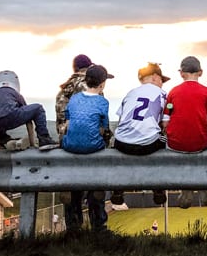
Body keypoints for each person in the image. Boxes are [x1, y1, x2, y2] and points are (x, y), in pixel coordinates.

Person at [59, 64, 115, 232]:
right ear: (102, 84)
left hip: (70, 146)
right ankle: (97, 190)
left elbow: (67, 123)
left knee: (74, 185)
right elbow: (104, 128)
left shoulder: (74, 98)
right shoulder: (102, 102)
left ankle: (74, 226)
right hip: (93, 148)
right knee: (100, 151)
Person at [55, 52, 105, 214]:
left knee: (73, 185)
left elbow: (62, 117)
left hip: (67, 141)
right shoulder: (91, 84)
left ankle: (74, 230)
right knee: (94, 183)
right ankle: (98, 228)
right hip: (89, 140)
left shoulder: (65, 88)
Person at [164, 55, 207, 207]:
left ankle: (186, 187)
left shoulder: (173, 92)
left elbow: (166, 120)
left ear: (181, 73)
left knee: (180, 151)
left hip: (175, 143)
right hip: (198, 142)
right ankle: (205, 185)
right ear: (200, 72)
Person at [114, 63, 170, 207]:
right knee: (163, 140)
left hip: (121, 143)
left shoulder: (131, 93)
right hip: (147, 145)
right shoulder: (163, 94)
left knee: (125, 144)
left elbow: (121, 120)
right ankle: (158, 188)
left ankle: (118, 189)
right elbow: (165, 124)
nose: (162, 83)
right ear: (155, 77)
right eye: (161, 80)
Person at [0, 70, 56, 150]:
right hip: (10, 115)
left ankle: (6, 141)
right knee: (38, 108)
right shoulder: (15, 93)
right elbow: (29, 121)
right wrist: (32, 144)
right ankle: (44, 139)